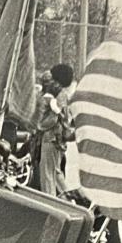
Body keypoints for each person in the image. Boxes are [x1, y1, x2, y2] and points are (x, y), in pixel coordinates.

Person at [35, 64, 75, 197]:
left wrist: (39, 126)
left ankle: (50, 202)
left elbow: (53, 119)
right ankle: (70, 198)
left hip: (51, 137)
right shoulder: (63, 94)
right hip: (58, 138)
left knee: (46, 173)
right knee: (56, 172)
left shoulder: (58, 96)